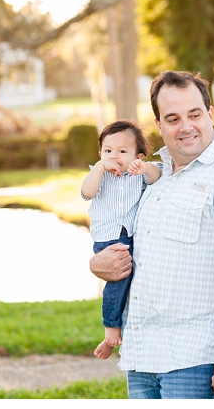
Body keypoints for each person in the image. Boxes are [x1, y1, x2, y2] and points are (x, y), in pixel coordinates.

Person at [89, 71, 214, 399]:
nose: (185, 126)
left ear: (210, 114)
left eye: (194, 114)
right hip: (143, 357)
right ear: (159, 125)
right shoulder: (150, 173)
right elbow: (122, 236)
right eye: (173, 118)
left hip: (196, 361)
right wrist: (98, 264)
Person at [81, 120, 163, 360]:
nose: (114, 156)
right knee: (117, 280)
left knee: (133, 284)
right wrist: (99, 167)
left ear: (138, 155)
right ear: (100, 154)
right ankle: (110, 329)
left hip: (130, 235)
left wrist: (144, 168)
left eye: (122, 152)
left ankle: (130, 326)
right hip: (108, 239)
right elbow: (87, 192)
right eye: (108, 151)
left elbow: (157, 176)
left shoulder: (138, 175)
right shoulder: (99, 175)